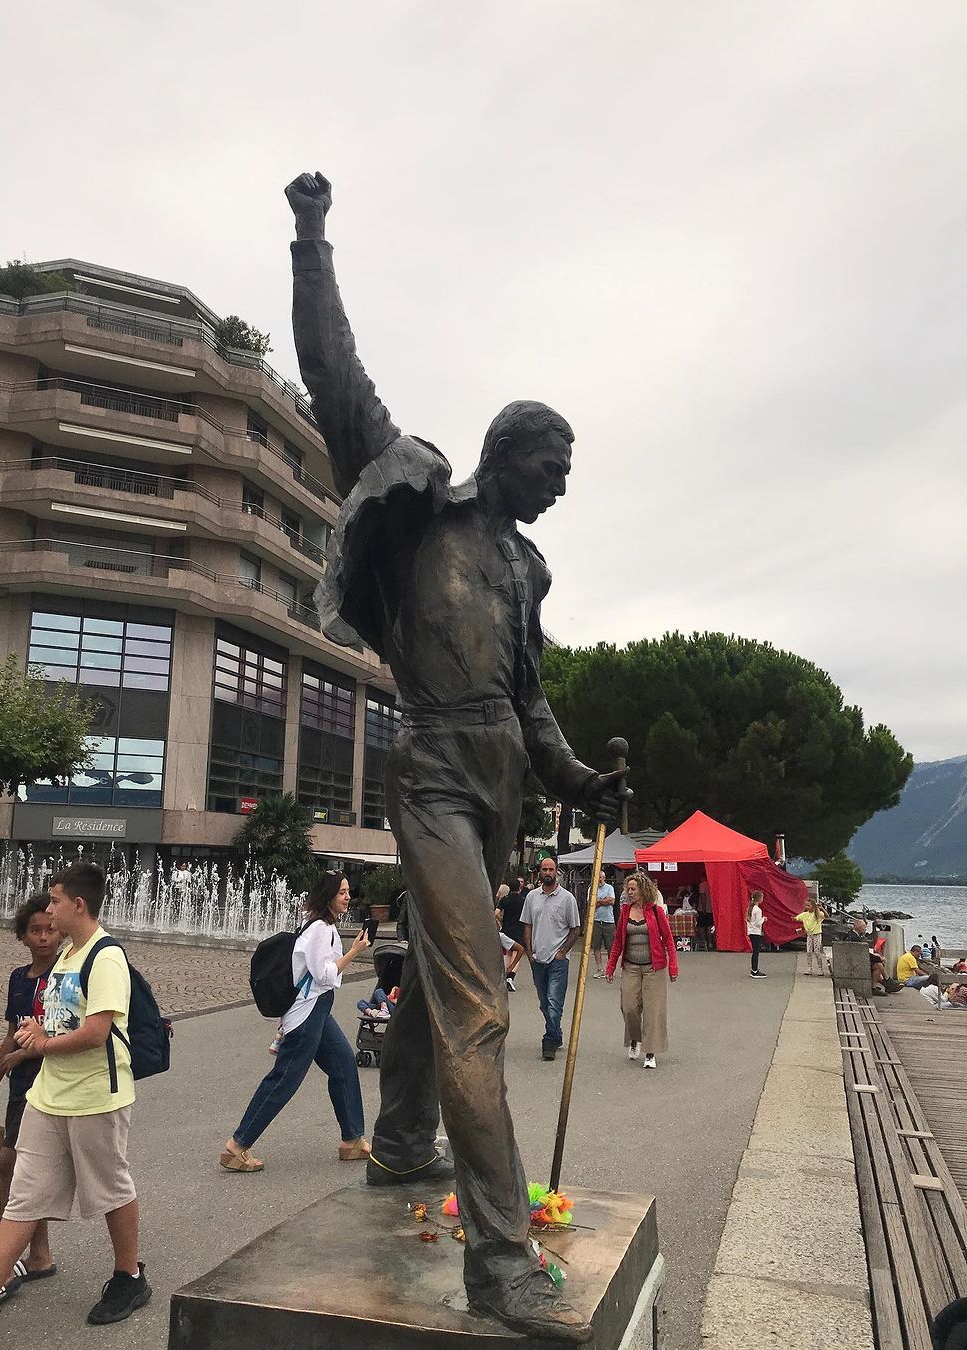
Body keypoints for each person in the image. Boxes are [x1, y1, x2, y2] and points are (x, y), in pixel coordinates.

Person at [284, 171, 627, 1340]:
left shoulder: (527, 569)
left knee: (445, 977)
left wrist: (578, 776)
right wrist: (312, 238)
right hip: (430, 774)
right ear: (509, 450)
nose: (564, 485)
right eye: (556, 465)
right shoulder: (421, 508)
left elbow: (530, 700)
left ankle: (400, 1142)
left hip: (501, 789)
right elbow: (336, 375)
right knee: (479, 1004)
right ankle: (498, 1258)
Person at [0, 862, 149, 1344]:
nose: (49, 907)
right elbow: (48, 1024)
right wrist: (11, 1061)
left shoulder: (105, 957)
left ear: (77, 904)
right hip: (48, 1096)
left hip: (95, 1097)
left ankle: (129, 1277)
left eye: (55, 900)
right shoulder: (65, 957)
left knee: (109, 1188)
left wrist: (38, 1044)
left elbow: (96, 1032)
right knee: (23, 1195)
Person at [221, 872, 371, 1173]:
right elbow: (325, 975)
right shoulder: (319, 930)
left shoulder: (322, 927)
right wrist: (355, 951)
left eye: (347, 892)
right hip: (307, 1013)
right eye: (341, 892)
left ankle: (352, 1139)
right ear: (328, 895)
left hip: (317, 1010)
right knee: (284, 1079)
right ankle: (237, 1146)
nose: (347, 897)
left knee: (343, 1063)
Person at [0, 893, 60, 1300]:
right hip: (20, 1085)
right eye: (34, 930)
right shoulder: (19, 979)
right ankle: (39, 1254)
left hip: (51, 1080)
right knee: (22, 1169)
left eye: (50, 929)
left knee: (10, 1164)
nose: (43, 937)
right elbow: (9, 1038)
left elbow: (66, 1033)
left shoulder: (63, 977)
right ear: (22, 936)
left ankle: (5, 1259)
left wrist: (28, 1051)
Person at [605, 872, 678, 1069]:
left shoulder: (656, 912)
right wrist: (610, 967)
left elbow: (669, 941)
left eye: (632, 889)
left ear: (642, 890)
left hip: (654, 968)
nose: (629, 892)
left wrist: (673, 967)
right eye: (627, 889)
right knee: (628, 1007)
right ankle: (635, 1039)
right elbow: (618, 942)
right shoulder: (626, 911)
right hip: (631, 967)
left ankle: (650, 1053)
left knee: (653, 1011)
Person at [521, 858, 581, 1061]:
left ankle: (549, 1041)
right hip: (538, 958)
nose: (548, 872)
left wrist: (563, 951)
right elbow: (527, 925)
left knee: (555, 1002)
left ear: (557, 872)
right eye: (544, 869)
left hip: (558, 960)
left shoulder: (567, 899)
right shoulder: (531, 897)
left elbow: (575, 928)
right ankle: (557, 1033)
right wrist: (529, 953)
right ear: (540, 872)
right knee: (544, 1003)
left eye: (551, 869)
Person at [591, 868, 616, 978]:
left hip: (609, 921)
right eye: (597, 877)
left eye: (600, 877)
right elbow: (591, 905)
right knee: (596, 946)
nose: (599, 880)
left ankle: (610, 969)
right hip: (596, 921)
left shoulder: (610, 888)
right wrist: (604, 901)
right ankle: (599, 969)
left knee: (611, 947)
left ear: (604, 878)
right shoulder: (591, 889)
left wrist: (598, 901)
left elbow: (612, 901)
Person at [795, 897, 829, 976]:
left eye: (809, 905)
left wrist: (822, 909)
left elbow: (826, 916)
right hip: (809, 935)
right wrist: (795, 919)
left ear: (813, 906)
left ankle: (820, 968)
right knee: (809, 951)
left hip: (817, 934)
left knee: (817, 952)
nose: (807, 907)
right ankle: (809, 967)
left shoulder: (817, 914)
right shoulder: (805, 914)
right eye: (806, 905)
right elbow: (800, 918)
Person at [746, 890, 767, 979]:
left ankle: (754, 969)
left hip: (751, 931)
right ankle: (754, 970)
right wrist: (764, 919)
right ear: (759, 899)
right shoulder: (758, 910)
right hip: (756, 932)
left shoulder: (750, 908)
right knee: (756, 952)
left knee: (755, 951)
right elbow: (758, 923)